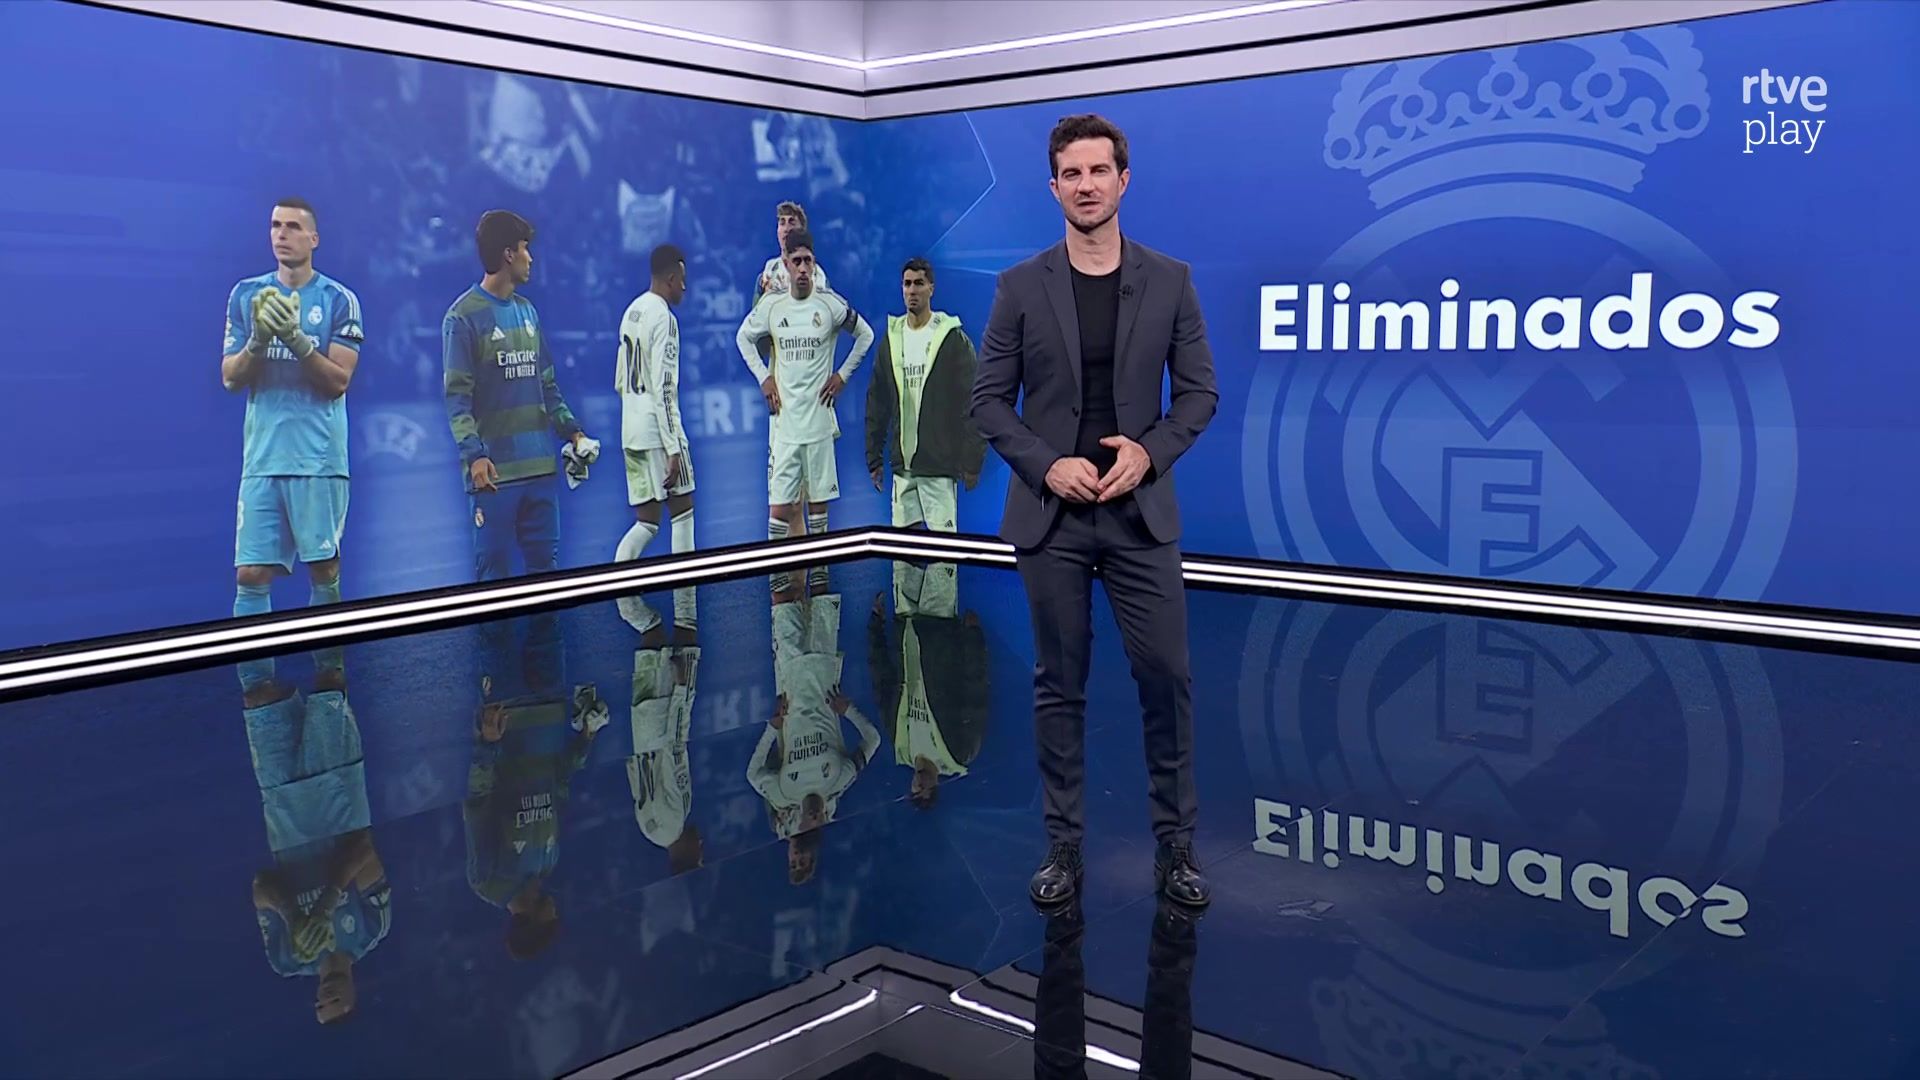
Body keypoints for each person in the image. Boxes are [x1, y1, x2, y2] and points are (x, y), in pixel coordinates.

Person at [968, 114, 1219, 909]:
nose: (1086, 185)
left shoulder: (1171, 280)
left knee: (1166, 678)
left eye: (1098, 171)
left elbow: (1200, 393)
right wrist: (1048, 464)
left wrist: (1150, 452)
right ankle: (1064, 848)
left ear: (1123, 179)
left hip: (1140, 515)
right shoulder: (1019, 287)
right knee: (1059, 683)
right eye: (1071, 174)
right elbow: (987, 401)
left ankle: (1176, 847)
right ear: (1053, 187)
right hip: (1054, 518)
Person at [220, 197, 364, 692]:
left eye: (293, 227)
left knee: (323, 568)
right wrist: (259, 340)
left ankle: (329, 682)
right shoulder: (247, 295)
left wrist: (297, 339)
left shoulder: (340, 300)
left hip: (318, 459)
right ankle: (257, 692)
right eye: (275, 225)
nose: (282, 234)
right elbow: (230, 377)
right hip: (262, 460)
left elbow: (338, 381)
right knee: (250, 575)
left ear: (314, 239)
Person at [443, 209, 599, 582]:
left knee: (546, 578)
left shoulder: (528, 312)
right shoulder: (462, 318)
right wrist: (475, 456)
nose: (531, 258)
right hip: (495, 475)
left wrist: (574, 433)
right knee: (494, 580)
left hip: (540, 470)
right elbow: (457, 398)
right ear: (508, 254)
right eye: (526, 248)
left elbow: (547, 386)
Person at [735, 229, 874, 593]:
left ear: (814, 265)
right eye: (795, 261)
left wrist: (842, 376)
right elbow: (742, 337)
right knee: (779, 509)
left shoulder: (829, 304)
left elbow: (866, 335)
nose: (801, 268)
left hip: (819, 424)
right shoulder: (773, 305)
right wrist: (764, 377)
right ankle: (780, 583)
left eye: (807, 261)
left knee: (819, 509)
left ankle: (821, 583)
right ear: (786, 264)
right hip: (785, 426)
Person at [866, 257, 985, 535]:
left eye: (919, 283)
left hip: (939, 468)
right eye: (907, 284)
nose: (912, 290)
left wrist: (972, 461)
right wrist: (874, 457)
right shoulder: (892, 340)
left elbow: (973, 403)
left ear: (931, 288)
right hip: (903, 470)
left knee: (942, 555)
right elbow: (877, 402)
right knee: (904, 555)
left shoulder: (952, 339)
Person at [614, 243, 698, 633]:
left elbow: (620, 380)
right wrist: (673, 446)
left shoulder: (631, 311)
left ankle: (622, 593)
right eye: (683, 279)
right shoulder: (664, 317)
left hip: (630, 428)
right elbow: (664, 386)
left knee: (646, 520)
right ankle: (686, 607)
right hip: (657, 430)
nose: (685, 287)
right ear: (671, 277)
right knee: (683, 510)